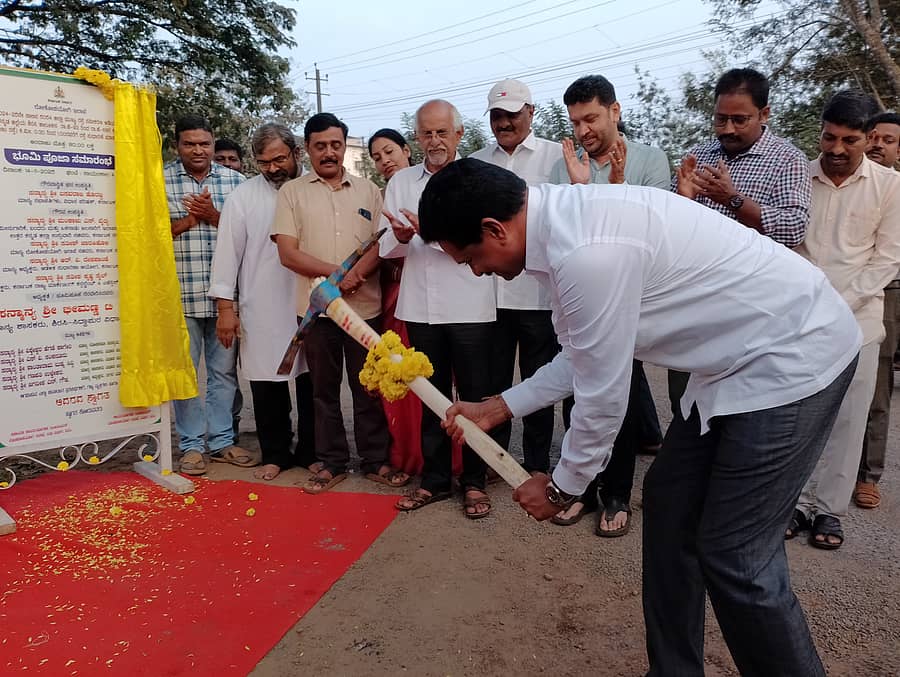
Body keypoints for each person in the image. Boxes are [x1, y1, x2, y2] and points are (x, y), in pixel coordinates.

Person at [418, 157, 861, 677]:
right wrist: (498, 407)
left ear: (494, 228)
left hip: (793, 353)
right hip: (732, 364)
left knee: (736, 554)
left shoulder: (586, 253)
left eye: (471, 257)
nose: (477, 271)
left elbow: (604, 395)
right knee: (670, 503)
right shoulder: (561, 231)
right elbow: (587, 353)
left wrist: (564, 487)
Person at [549, 74, 669, 536]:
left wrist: (614, 186)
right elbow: (562, 233)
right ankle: (580, 488)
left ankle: (616, 494)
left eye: (592, 118)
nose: (583, 131)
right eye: (576, 121)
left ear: (615, 112)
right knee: (575, 395)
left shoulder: (648, 160)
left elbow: (650, 231)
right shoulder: (565, 167)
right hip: (579, 303)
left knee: (615, 397)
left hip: (630, 303)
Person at [272, 113, 408, 494]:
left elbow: (382, 244)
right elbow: (288, 253)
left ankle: (375, 460)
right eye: (320, 146)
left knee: (369, 388)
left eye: (335, 145)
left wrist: (356, 277)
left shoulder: (369, 191)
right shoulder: (292, 193)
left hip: (364, 309)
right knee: (322, 390)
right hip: (317, 311)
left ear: (343, 146)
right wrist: (337, 276)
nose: (329, 152)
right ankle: (330, 461)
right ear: (307, 149)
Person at [670, 67, 811, 422]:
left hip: (754, 309)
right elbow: (671, 232)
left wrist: (733, 199)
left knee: (741, 410)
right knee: (685, 405)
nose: (728, 129)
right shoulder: (698, 156)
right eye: (721, 119)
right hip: (695, 302)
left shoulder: (787, 159)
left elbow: (794, 228)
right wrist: (683, 200)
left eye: (739, 119)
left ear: (765, 114)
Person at [793, 92, 900, 547]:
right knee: (796, 418)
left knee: (849, 420)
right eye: (829, 137)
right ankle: (792, 504)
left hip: (858, 323)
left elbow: (886, 260)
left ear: (868, 138)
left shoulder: (891, 186)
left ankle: (829, 512)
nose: (836, 150)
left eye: (849, 140)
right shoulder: (800, 173)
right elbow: (789, 242)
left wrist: (835, 302)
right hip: (798, 318)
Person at [380, 100, 495, 518]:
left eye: (442, 132)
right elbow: (386, 247)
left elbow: (483, 240)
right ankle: (434, 480)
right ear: (417, 138)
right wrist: (398, 234)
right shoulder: (401, 182)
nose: (434, 141)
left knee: (475, 397)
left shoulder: (480, 178)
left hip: (471, 303)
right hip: (420, 306)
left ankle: (476, 482)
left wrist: (428, 233)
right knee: (430, 396)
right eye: (426, 133)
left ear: (459, 135)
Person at [209, 122, 316, 481]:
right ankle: (276, 453)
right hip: (262, 303)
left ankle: (312, 452)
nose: (272, 168)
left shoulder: (314, 190)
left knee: (313, 381)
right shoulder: (244, 196)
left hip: (311, 302)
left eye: (279, 159)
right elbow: (227, 255)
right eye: (263, 162)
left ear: (296, 153)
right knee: (266, 383)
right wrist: (226, 309)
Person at [469, 79, 562, 480]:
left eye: (512, 113)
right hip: (489, 295)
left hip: (539, 294)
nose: (504, 122)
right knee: (495, 381)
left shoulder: (557, 158)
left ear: (531, 112)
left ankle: (537, 461)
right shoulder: (474, 164)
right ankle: (496, 458)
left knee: (540, 379)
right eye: (497, 115)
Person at [164, 114, 251, 475]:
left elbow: (249, 238)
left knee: (223, 374)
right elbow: (148, 236)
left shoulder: (237, 183)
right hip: (177, 297)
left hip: (224, 300)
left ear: (214, 145)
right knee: (184, 374)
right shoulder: (158, 180)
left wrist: (215, 215)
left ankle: (221, 441)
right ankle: (190, 446)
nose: (198, 150)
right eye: (190, 143)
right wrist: (191, 220)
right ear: (176, 146)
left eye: (204, 143)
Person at [367, 128, 423, 476]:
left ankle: (445, 459)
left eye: (389, 152)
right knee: (397, 375)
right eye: (376, 157)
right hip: (393, 294)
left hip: (432, 294)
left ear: (406, 150)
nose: (384, 161)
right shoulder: (382, 195)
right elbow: (377, 247)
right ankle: (404, 454)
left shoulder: (425, 185)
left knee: (430, 375)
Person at [856, 111, 900, 509]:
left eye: (888, 140)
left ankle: (868, 474)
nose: (878, 145)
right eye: (874, 137)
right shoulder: (849, 182)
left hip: (890, 290)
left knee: (877, 385)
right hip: (852, 287)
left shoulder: (895, 189)